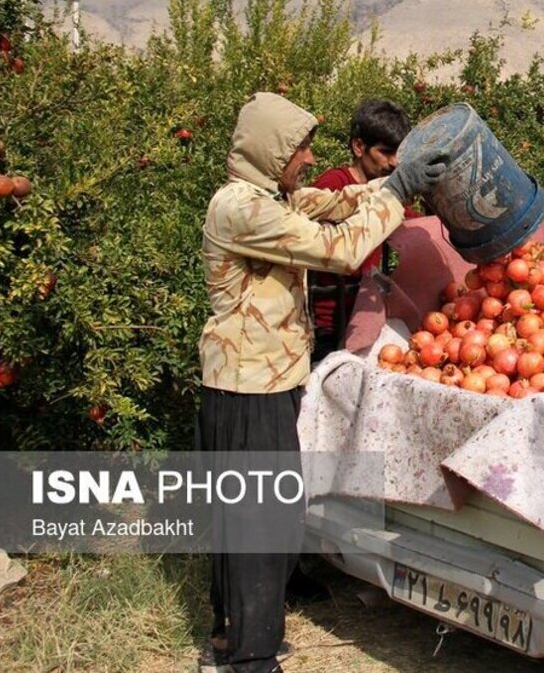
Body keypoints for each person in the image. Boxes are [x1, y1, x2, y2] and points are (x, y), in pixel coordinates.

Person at [197, 92, 446, 673]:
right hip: (244, 384)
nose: (309, 159)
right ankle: (248, 658)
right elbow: (339, 248)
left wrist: (390, 185)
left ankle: (233, 639)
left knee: (268, 515)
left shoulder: (271, 195)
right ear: (271, 149)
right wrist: (397, 191)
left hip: (271, 376)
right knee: (257, 521)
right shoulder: (240, 207)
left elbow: (334, 204)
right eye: (299, 148)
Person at [308, 99, 419, 363]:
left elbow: (414, 228)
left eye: (399, 154)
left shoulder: (391, 192)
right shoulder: (332, 186)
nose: (394, 163)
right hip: (332, 324)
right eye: (385, 152)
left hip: (369, 316)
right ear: (359, 147)